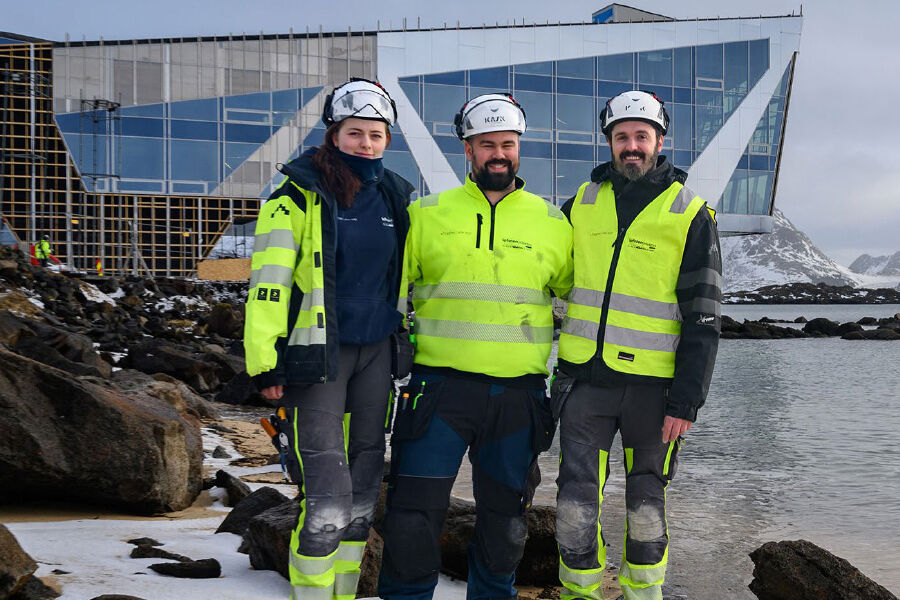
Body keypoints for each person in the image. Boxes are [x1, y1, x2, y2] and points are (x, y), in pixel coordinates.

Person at [377, 93, 573, 600]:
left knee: (506, 521)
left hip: (519, 397)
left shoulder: (554, 224)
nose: (498, 154)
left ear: (519, 147)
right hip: (437, 390)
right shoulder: (426, 214)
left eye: (507, 144)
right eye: (486, 144)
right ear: (468, 149)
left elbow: (580, 305)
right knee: (413, 513)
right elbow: (393, 297)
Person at [243, 78, 415, 600]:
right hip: (317, 355)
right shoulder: (294, 196)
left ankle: (346, 590)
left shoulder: (396, 195)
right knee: (328, 491)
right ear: (333, 134)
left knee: (365, 484)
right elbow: (267, 284)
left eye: (376, 134)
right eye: (355, 133)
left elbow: (407, 279)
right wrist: (265, 364)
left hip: (377, 355)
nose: (367, 144)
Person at [553, 90, 722, 600]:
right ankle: (578, 591)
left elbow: (705, 315)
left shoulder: (689, 212)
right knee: (574, 498)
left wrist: (686, 402)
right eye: (621, 136)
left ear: (659, 141)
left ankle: (643, 594)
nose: (632, 146)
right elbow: (550, 283)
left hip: (655, 391)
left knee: (647, 501)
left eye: (641, 137)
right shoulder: (579, 205)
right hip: (584, 383)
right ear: (608, 142)